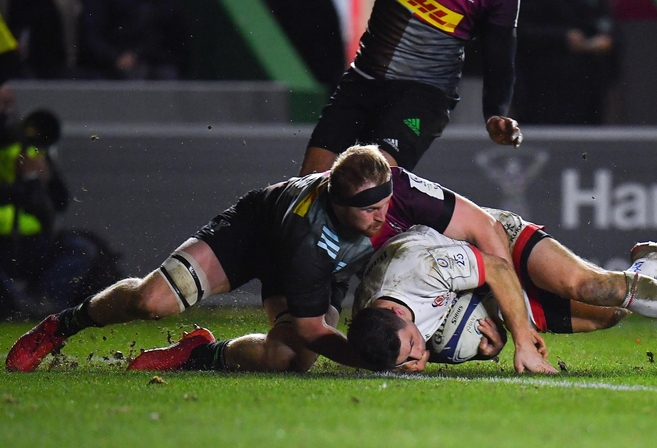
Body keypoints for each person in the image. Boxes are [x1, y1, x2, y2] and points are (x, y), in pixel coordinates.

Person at [6, 145, 549, 374]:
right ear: (337, 203)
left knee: (288, 361)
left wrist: (519, 324)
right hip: (255, 233)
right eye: (369, 211)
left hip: (320, 266)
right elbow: (313, 328)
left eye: (386, 204)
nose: (383, 216)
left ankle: (201, 354)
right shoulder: (310, 237)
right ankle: (63, 324)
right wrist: (374, 359)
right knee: (152, 301)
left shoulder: (398, 189)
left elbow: (484, 230)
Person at [347, 210, 657, 371]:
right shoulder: (379, 332)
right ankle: (651, 262)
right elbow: (436, 339)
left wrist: (522, 339)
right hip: (478, 293)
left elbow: (497, 268)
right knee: (609, 316)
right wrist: (489, 346)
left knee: (590, 286)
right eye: (406, 362)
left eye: (413, 348)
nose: (417, 358)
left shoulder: (421, 270)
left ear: (399, 313)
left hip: (494, 244)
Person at [299, 0, 524, 175]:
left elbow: (500, 59)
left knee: (369, 182)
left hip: (424, 97)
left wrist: (495, 113)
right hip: (362, 80)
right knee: (309, 184)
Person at [0, 109, 121, 320]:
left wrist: (43, 177)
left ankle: (44, 304)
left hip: (35, 243)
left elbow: (61, 201)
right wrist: (22, 179)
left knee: (81, 249)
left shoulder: (35, 152)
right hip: (4, 244)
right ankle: (15, 306)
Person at [512, 0, 619, 125]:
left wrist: (607, 40)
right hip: (543, 85)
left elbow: (608, 25)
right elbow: (520, 31)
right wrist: (562, 37)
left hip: (589, 84)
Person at [76, 0, 188, 80]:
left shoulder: (163, 5)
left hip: (154, 62)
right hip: (108, 67)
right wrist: (115, 57)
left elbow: (167, 37)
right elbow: (91, 37)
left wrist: (138, 55)